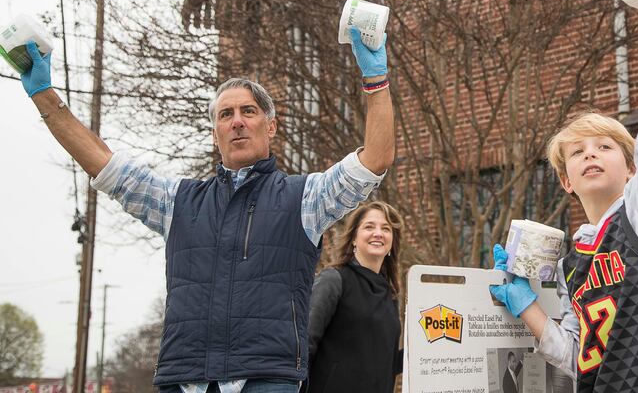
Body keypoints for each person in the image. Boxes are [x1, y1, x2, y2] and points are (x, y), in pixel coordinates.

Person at [16, 27, 394, 393]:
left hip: (267, 379)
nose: (237, 121)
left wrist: (376, 80)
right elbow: (106, 166)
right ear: (215, 134)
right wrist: (45, 96)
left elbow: (373, 161)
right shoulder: (178, 201)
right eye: (225, 115)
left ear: (272, 126)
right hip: (185, 378)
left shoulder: (305, 199)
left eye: (249, 111)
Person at [489, 0, 638, 391]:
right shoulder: (573, 265)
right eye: (578, 151)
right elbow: (575, 355)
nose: (591, 154)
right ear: (567, 181)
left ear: (631, 170)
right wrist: (527, 304)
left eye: (605, 147)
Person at [302, 201, 403, 393]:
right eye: (369, 226)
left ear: (392, 241)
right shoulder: (334, 279)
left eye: (386, 228)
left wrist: (425, 354)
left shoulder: (390, 294)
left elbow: (385, 361)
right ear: (354, 238)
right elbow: (305, 344)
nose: (378, 233)